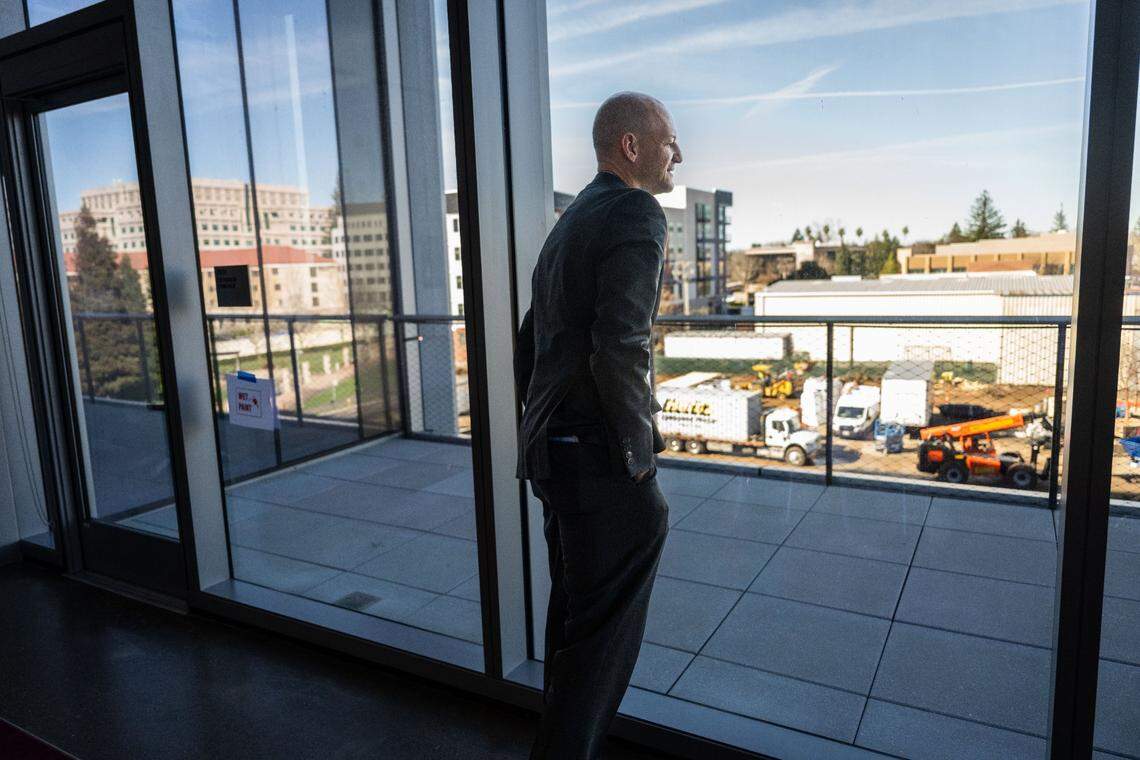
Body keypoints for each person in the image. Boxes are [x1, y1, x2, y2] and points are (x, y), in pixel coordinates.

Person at [514, 91, 683, 760]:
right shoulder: (636, 210)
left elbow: (530, 342)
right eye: (669, 140)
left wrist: (536, 432)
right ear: (632, 147)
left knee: (573, 627)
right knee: (598, 648)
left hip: (554, 454)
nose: (679, 153)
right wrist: (639, 457)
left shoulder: (572, 217)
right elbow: (623, 342)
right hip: (597, 457)